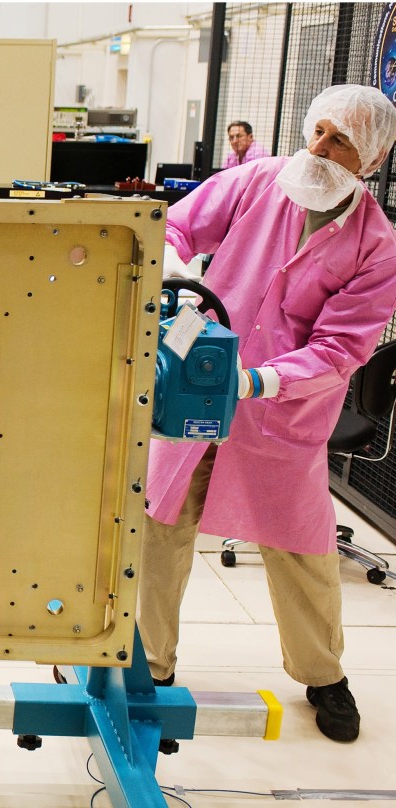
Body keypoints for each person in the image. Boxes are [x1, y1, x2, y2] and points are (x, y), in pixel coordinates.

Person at [142, 84, 396, 743]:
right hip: (192, 364)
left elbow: (341, 347)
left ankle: (323, 674)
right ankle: (149, 666)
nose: (319, 147)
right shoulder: (258, 179)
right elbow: (172, 224)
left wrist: (258, 381)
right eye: (317, 131)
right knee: (159, 523)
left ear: (372, 157)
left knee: (300, 544)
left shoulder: (377, 245)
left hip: (280, 409)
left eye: (340, 139)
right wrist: (173, 266)